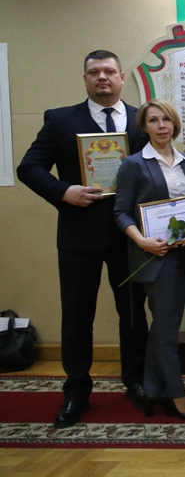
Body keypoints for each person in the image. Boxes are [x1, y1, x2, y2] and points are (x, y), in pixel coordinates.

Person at [17, 50, 149, 429]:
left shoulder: (143, 119)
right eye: (94, 72)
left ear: (121, 77)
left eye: (109, 71)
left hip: (130, 235)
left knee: (133, 314)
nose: (102, 77)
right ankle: (76, 390)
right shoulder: (61, 120)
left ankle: (136, 381)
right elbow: (29, 167)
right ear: (85, 78)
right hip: (79, 234)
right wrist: (64, 191)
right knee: (77, 317)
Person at [114, 99, 185, 420]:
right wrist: (142, 240)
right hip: (153, 258)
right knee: (166, 332)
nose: (161, 125)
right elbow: (121, 212)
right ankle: (177, 395)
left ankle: (152, 389)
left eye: (166, 119)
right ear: (144, 126)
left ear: (174, 123)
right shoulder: (133, 164)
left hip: (182, 256)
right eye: (153, 120)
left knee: (164, 327)